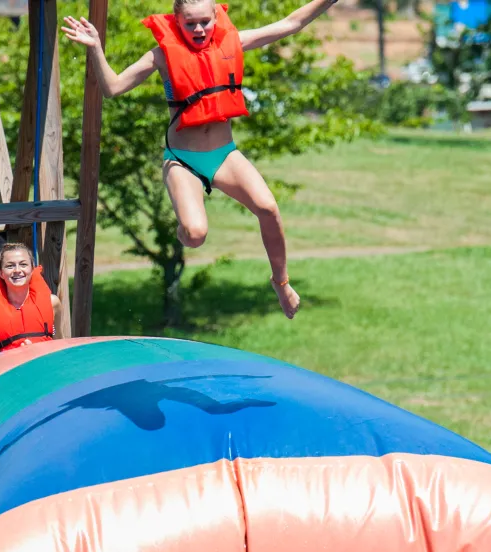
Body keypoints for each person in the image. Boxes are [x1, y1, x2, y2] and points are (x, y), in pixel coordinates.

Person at [61, 0, 340, 320]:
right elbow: (113, 87)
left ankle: (281, 282)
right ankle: (181, 225)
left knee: (268, 208)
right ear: (177, 22)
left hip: (225, 155)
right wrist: (96, 47)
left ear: (216, 17)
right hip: (183, 160)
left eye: (205, 22)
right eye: (190, 23)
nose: (199, 30)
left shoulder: (234, 40)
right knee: (195, 236)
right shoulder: (162, 55)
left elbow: (292, 23)